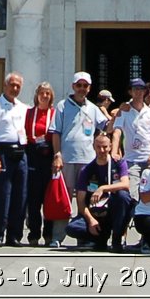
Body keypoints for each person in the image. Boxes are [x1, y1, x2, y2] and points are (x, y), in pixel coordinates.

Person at [51, 72, 109, 245]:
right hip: (67, 158)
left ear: (89, 88)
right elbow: (56, 132)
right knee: (64, 198)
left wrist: (119, 112)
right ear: (73, 86)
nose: (82, 89)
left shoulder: (93, 108)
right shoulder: (62, 106)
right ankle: (58, 236)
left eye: (85, 86)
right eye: (79, 85)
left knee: (86, 198)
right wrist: (57, 154)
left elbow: (106, 126)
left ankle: (84, 236)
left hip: (87, 159)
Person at [0, 71, 28, 247]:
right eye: (12, 85)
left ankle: (14, 235)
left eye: (18, 86)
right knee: (2, 195)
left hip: (21, 153)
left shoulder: (23, 107)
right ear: (5, 85)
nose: (15, 88)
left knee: (20, 196)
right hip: (2, 152)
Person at [69, 130, 134, 251]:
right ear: (93, 147)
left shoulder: (119, 163)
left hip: (114, 210)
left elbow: (125, 184)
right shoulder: (86, 170)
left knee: (123, 196)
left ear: (110, 147)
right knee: (72, 228)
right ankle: (98, 238)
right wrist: (90, 220)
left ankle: (117, 238)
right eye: (98, 147)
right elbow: (81, 202)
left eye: (105, 147)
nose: (102, 150)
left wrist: (102, 188)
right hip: (97, 213)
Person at [22, 81, 58, 246]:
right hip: (33, 157)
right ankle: (34, 234)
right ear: (37, 95)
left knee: (49, 199)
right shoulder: (29, 113)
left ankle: (49, 234)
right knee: (34, 199)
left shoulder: (55, 113)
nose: (45, 96)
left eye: (48, 93)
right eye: (42, 93)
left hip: (49, 157)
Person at [114, 78, 150, 169]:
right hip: (131, 159)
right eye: (135, 89)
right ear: (130, 92)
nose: (139, 92)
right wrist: (114, 152)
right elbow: (117, 132)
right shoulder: (123, 110)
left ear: (144, 91)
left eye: (141, 89)